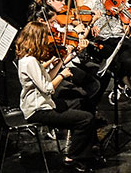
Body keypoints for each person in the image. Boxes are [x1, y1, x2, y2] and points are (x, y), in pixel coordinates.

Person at [14, 21, 102, 172]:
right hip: (38, 110)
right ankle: (73, 157)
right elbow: (48, 88)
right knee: (86, 119)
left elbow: (46, 78)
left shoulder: (30, 58)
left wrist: (59, 63)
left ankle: (87, 151)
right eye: (45, 36)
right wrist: (62, 75)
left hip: (43, 104)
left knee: (80, 102)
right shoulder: (29, 62)